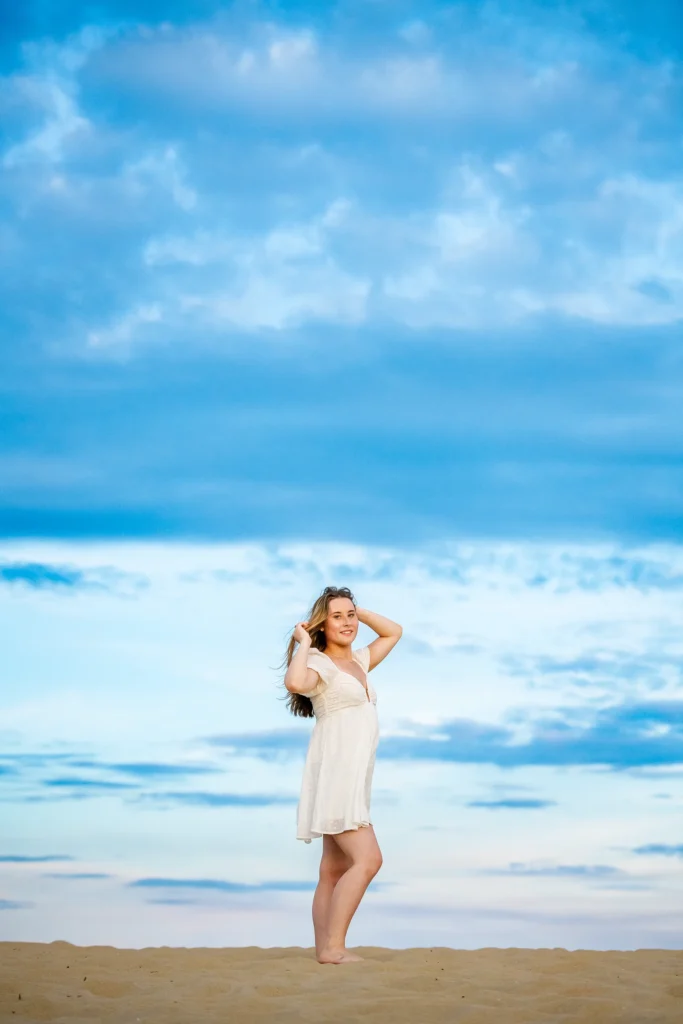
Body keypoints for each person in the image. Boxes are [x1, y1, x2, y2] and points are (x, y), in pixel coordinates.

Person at [283, 585, 402, 965]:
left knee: (333, 869)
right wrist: (303, 642)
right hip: (336, 775)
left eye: (349, 615)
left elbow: (394, 631)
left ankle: (325, 950)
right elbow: (295, 683)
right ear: (322, 624)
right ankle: (334, 947)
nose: (347, 622)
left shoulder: (361, 661)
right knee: (368, 860)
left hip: (353, 776)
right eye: (337, 616)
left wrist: (357, 611)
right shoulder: (319, 662)